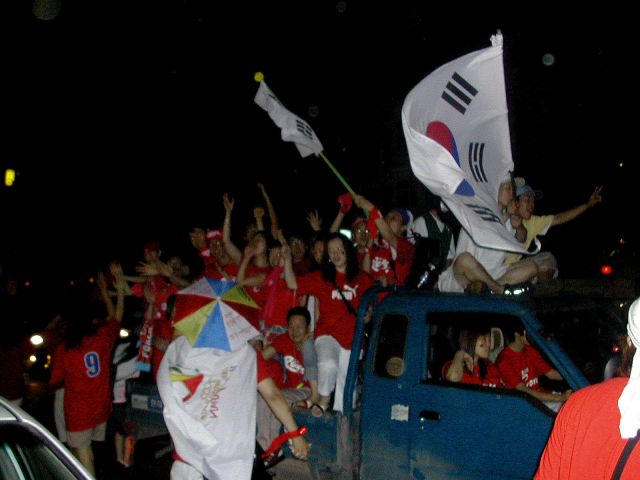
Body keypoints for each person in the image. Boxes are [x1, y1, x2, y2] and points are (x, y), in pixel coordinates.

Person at [534, 297, 640, 479]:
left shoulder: (581, 404)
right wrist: (559, 398)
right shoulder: (580, 405)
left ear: (628, 343)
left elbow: (552, 372)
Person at [284, 232, 373, 416]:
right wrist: (286, 260)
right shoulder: (321, 277)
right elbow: (292, 284)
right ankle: (323, 400)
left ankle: (342, 425)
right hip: (328, 335)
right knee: (327, 364)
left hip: (353, 338)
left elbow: (375, 302)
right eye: (331, 251)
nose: (336, 253)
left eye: (340, 249)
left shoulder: (362, 278)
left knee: (346, 386)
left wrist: (369, 313)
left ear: (347, 250)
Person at [49, 268, 125, 475]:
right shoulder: (100, 339)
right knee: (84, 451)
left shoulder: (65, 349)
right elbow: (116, 318)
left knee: (84, 454)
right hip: (99, 408)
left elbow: (55, 380)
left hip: (78, 412)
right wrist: (115, 292)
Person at [436, 175, 537, 294]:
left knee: (532, 267)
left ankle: (488, 289)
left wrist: (518, 226)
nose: (512, 194)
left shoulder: (508, 218)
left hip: (493, 275)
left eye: (513, 190)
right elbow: (489, 228)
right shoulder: (478, 210)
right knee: (465, 259)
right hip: (464, 275)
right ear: (494, 189)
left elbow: (521, 238)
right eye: (508, 188)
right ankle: (498, 289)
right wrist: (505, 216)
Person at [505, 178, 603, 282]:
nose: (532, 205)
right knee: (530, 267)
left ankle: (538, 287)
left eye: (533, 201)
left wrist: (588, 205)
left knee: (547, 258)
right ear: (515, 202)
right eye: (527, 200)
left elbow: (558, 218)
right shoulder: (503, 215)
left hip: (512, 267)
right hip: (497, 268)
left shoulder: (532, 221)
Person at [257, 306, 319, 464]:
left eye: (299, 327)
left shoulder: (315, 343)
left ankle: (271, 448)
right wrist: (261, 347)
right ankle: (267, 448)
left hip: (309, 390)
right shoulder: (284, 340)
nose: (294, 331)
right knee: (264, 396)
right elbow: (263, 357)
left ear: (308, 328)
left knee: (278, 398)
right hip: (290, 390)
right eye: (291, 327)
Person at [496, 324, 572, 411]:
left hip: (540, 397)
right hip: (525, 404)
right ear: (517, 335)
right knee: (567, 409)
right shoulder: (504, 361)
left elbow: (550, 373)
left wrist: (573, 377)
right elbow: (523, 391)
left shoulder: (529, 350)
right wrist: (559, 398)